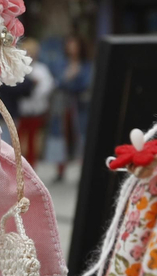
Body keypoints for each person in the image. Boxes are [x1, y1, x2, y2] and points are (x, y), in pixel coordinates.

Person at [50, 33, 93, 182]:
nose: (72, 48)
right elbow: (56, 83)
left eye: (75, 45)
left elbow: (85, 84)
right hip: (62, 107)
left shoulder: (86, 65)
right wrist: (67, 77)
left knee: (81, 136)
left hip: (80, 106)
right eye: (70, 45)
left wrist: (71, 80)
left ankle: (83, 169)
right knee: (60, 136)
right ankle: (60, 170)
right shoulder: (61, 63)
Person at [7, 38, 54, 167]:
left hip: (36, 111)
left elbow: (47, 87)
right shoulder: (17, 68)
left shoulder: (42, 69)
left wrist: (33, 91)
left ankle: (32, 166)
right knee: (18, 141)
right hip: (21, 111)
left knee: (34, 141)